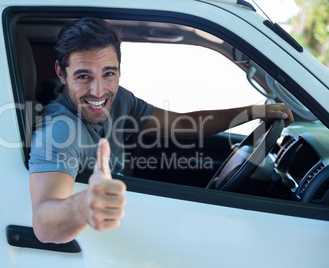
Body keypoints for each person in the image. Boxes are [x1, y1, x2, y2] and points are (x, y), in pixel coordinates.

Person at [28, 17, 293, 244]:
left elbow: (183, 124)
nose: (98, 91)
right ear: (61, 73)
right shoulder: (59, 131)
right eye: (83, 76)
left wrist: (252, 112)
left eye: (109, 73)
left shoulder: (119, 99)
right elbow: (43, 224)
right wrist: (84, 204)